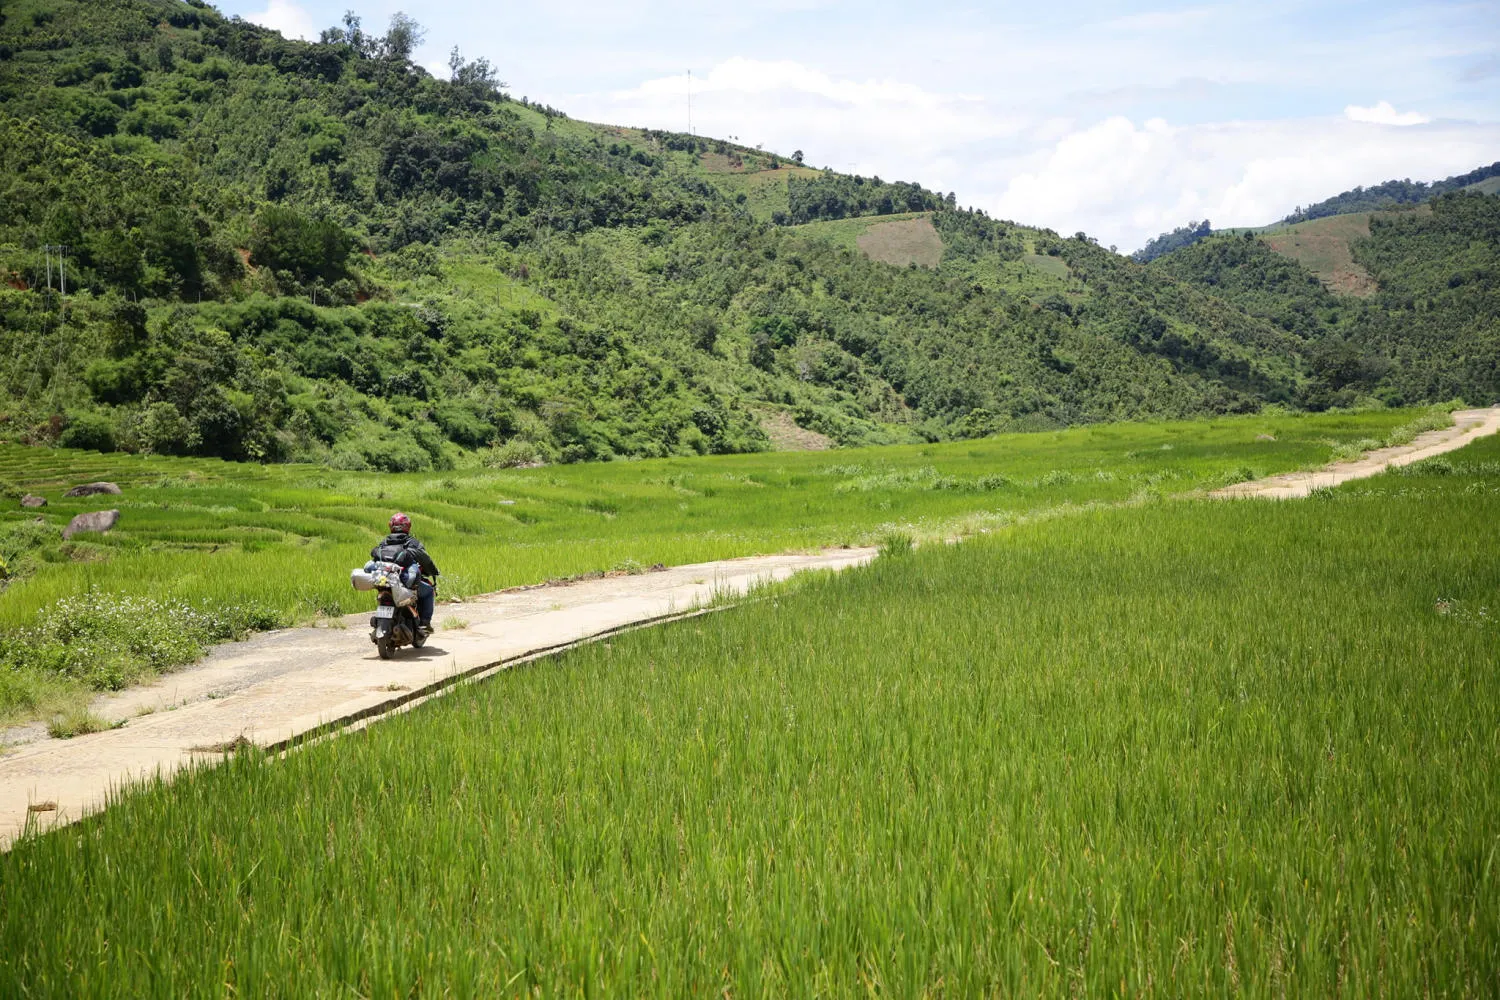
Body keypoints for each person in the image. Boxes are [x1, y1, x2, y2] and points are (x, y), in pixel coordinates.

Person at [371, 512, 439, 633]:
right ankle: (424, 623)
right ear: (407, 526)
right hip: (403, 581)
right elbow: (425, 560)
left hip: (385, 580)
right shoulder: (413, 543)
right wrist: (433, 572)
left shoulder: (384, 542)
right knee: (428, 591)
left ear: (391, 526)